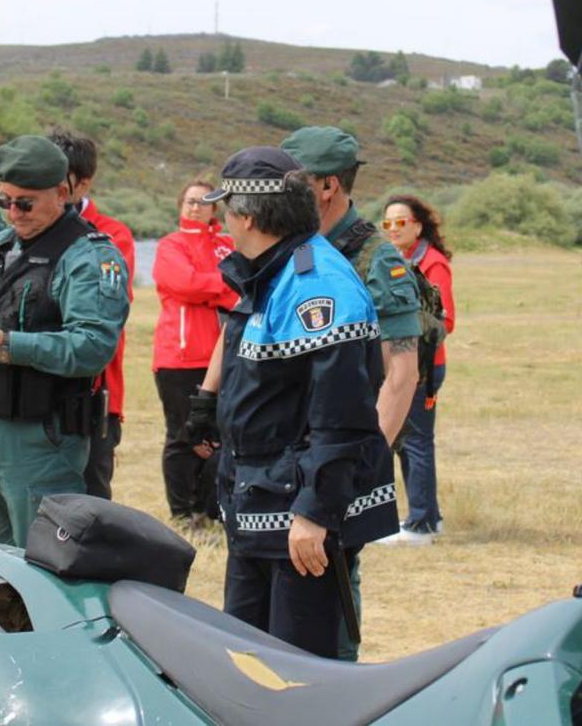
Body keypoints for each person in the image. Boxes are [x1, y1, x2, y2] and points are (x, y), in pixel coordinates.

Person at [207, 146, 396, 659]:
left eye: (226, 211)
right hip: (261, 505)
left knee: (301, 669)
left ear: (247, 215)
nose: (223, 223)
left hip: (296, 518)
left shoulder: (317, 284)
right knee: (247, 662)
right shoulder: (273, 272)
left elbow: (340, 415)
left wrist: (315, 510)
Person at [0, 135, 130, 547]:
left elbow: (91, 346)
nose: (14, 212)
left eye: (26, 203)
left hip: (44, 435)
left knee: (44, 560)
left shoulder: (88, 256)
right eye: (5, 201)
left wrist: (6, 345)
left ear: (62, 194)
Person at [280, 126, 421, 659]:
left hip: (341, 454)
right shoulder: (299, 250)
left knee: (330, 577)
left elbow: (400, 374)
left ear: (327, 187)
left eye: (294, 182)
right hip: (295, 450)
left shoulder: (373, 260)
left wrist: (358, 464)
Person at [48, 129, 136, 500]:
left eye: (57, 179)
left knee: (89, 509)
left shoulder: (113, 237)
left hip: (94, 396)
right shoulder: (24, 231)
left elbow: (107, 315)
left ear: (83, 184)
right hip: (37, 397)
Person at [151, 179, 236, 525]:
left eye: (203, 202)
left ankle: (209, 509)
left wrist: (208, 286)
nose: (195, 207)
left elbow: (243, 288)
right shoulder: (170, 245)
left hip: (221, 355)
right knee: (183, 436)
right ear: (180, 206)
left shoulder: (226, 246)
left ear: (215, 208)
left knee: (217, 436)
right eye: (189, 201)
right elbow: (184, 283)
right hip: (178, 355)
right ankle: (182, 511)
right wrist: (219, 285)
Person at [378, 194, 456, 542]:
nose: (394, 229)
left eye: (401, 222)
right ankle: (427, 516)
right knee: (408, 441)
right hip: (403, 363)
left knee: (416, 443)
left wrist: (401, 325)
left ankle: (422, 523)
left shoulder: (433, 262)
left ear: (418, 226)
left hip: (424, 367)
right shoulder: (397, 259)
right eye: (388, 223)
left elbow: (447, 319)